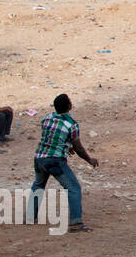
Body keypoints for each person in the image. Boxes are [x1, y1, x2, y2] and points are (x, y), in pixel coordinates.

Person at [30, 93, 98, 233]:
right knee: (73, 188)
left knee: (38, 185)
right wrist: (89, 159)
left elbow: (51, 137)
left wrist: (67, 146)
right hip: (55, 160)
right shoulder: (71, 124)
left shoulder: (47, 118)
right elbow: (78, 147)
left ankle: (30, 216)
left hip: (39, 157)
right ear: (69, 106)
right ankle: (75, 223)